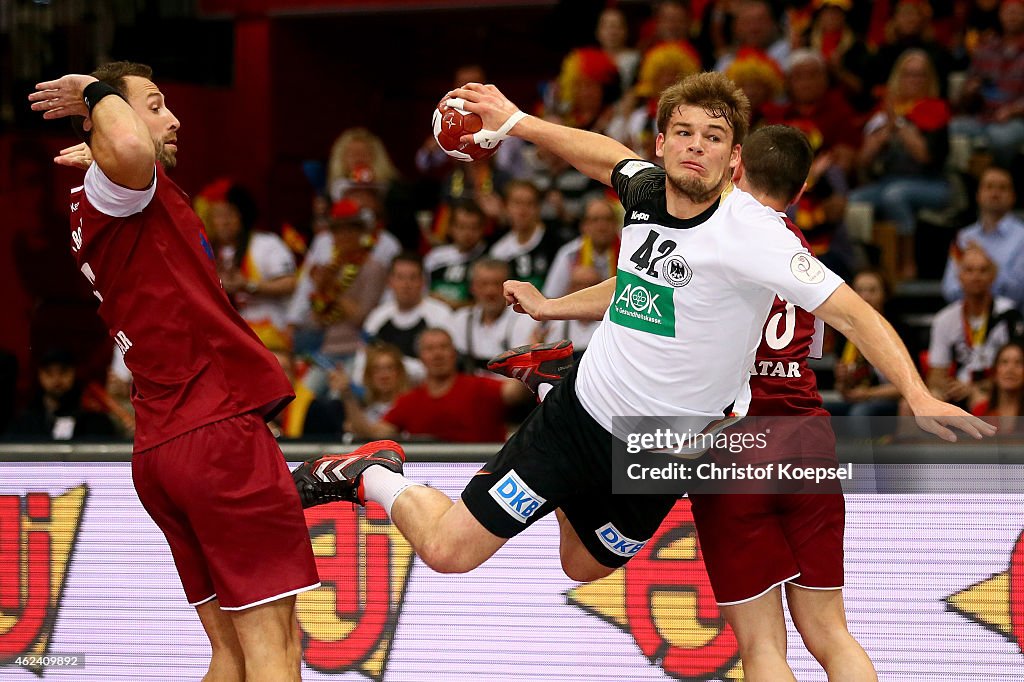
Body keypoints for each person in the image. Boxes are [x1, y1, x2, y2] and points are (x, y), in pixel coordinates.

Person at [292, 73, 992, 589]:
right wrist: (517, 123)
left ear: (735, 159)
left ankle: (549, 398)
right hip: (582, 416)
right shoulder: (648, 189)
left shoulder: (754, 236)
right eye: (683, 133)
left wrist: (918, 393)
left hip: (663, 449)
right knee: (448, 551)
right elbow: (603, 157)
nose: (696, 147)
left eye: (714, 138)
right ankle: (368, 473)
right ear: (662, 143)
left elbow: (853, 312)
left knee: (584, 565)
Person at [30, 62, 318, 681]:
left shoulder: (96, 197)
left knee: (231, 655)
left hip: (162, 444)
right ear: (117, 118)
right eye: (155, 104)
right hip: (215, 433)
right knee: (276, 649)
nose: (174, 117)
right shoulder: (123, 185)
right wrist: (94, 93)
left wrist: (107, 136)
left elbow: (127, 151)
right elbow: (130, 148)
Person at [687, 125, 876, 681]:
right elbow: (806, 348)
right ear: (799, 192)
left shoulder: (712, 238)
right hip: (806, 437)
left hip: (733, 444)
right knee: (831, 632)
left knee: (763, 649)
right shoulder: (803, 255)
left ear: (736, 167)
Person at [928, 245, 1022, 407]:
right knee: (920, 403)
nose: (976, 276)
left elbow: (1017, 370)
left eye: (983, 270)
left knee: (980, 399)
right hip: (956, 389)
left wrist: (973, 388)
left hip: (996, 388)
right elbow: (936, 373)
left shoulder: (1009, 314)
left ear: (993, 276)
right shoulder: (944, 319)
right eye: (969, 271)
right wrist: (946, 388)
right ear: (959, 276)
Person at [941, 166, 1024, 309]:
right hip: (967, 319)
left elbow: (1016, 292)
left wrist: (986, 262)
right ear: (978, 195)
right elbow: (950, 289)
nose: (995, 193)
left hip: (1009, 321)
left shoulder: (1022, 237)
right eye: (989, 187)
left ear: (1013, 197)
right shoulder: (964, 237)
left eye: (1002, 188)